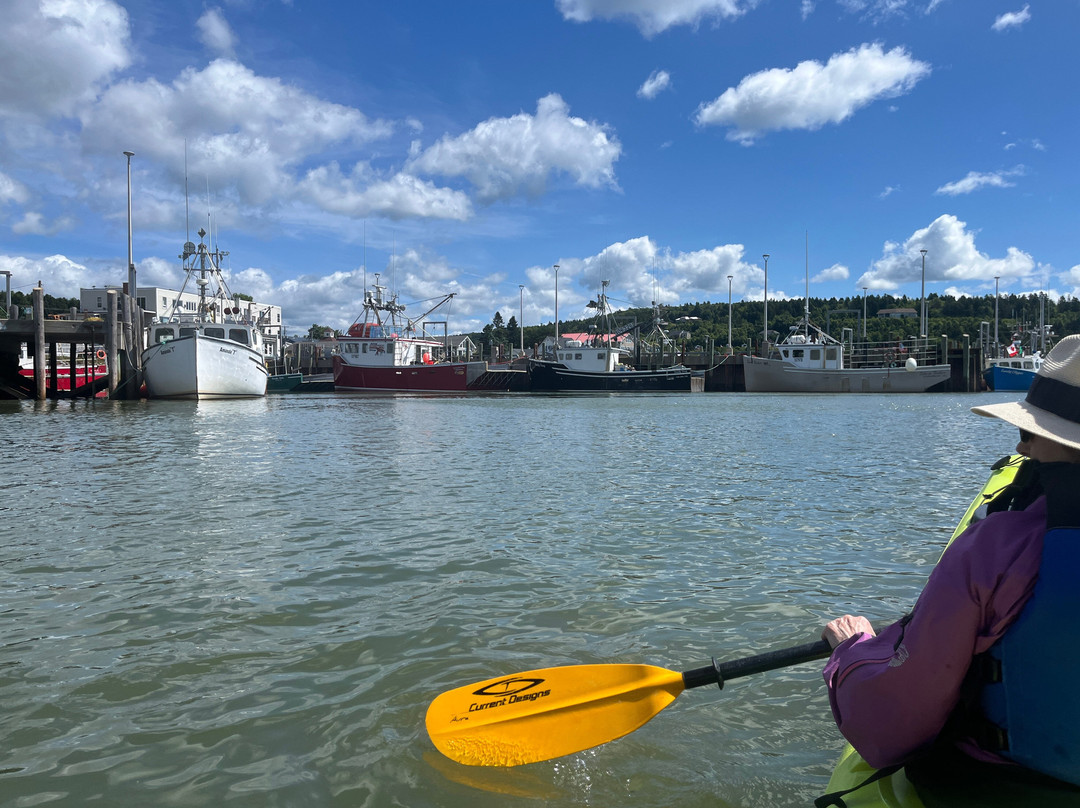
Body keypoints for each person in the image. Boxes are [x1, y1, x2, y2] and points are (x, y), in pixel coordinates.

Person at [820, 334, 1080, 803]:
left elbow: (894, 723)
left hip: (1006, 783)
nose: (1021, 451)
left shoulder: (996, 548)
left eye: (1028, 433)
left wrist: (850, 653)